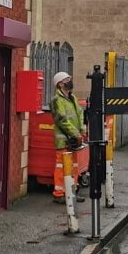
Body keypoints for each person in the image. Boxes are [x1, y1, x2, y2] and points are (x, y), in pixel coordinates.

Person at [51, 71, 85, 233]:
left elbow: (80, 114)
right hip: (64, 140)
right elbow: (62, 120)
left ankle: (72, 190)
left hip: (75, 139)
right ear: (60, 84)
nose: (70, 82)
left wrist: (82, 130)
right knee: (61, 166)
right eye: (67, 80)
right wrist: (75, 134)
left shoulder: (72, 98)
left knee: (75, 166)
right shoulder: (57, 101)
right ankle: (59, 193)